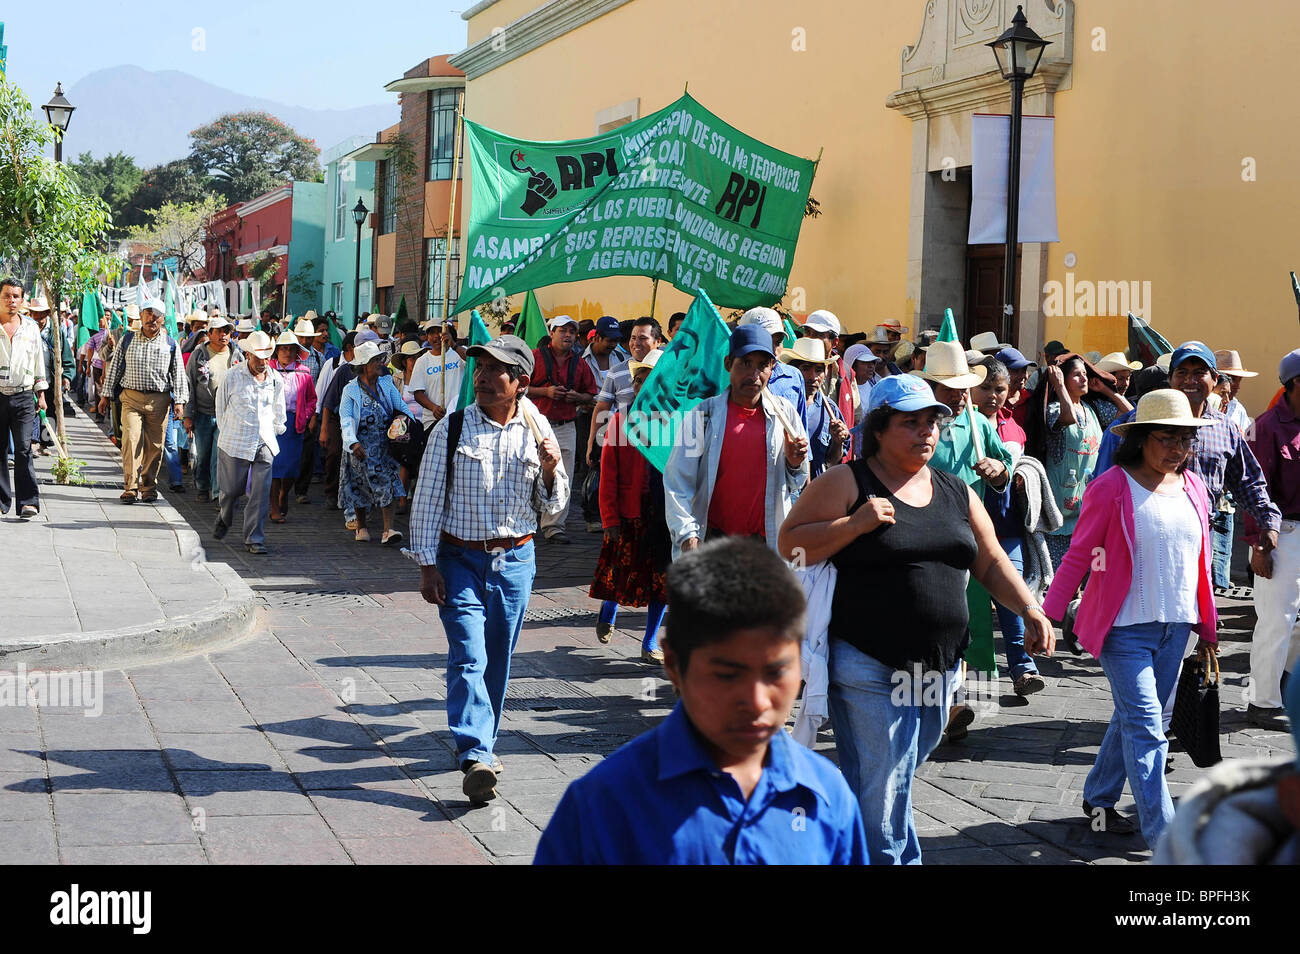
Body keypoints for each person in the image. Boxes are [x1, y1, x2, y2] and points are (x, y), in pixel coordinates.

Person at [778, 373, 1054, 863]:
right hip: (867, 664)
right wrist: (854, 523)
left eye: (933, 421)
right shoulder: (847, 481)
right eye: (912, 422)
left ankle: (845, 846)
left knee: (892, 776)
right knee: (883, 783)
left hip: (939, 669)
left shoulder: (955, 490)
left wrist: (1029, 607)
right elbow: (791, 546)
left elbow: (989, 560)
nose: (927, 431)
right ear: (879, 429)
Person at [536, 537, 867, 864]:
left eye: (775, 672)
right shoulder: (604, 806)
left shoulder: (826, 796)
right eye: (727, 674)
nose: (755, 700)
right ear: (674, 666)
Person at [1044, 389, 1218, 846]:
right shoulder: (1111, 487)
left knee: (1135, 720)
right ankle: (1164, 836)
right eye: (1167, 439)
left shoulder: (1194, 488)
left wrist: (1207, 627)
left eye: (1186, 440)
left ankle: (1099, 798)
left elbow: (1200, 563)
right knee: (1147, 729)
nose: (1178, 450)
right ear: (1141, 438)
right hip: (1123, 630)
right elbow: (1079, 555)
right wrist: (1046, 615)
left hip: (1176, 628)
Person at [407, 335, 566, 804]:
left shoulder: (538, 435)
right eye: (479, 369)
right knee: (469, 655)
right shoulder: (452, 429)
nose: (482, 377)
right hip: (460, 561)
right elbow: (428, 499)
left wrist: (553, 471)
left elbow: (551, 507)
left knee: (498, 658)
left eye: (496, 370)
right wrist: (426, 565)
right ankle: (475, 753)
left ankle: (484, 745)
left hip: (515, 561)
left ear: (519, 382)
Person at [664, 324, 809, 559]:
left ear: (772, 368)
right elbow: (677, 482)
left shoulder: (786, 415)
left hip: (766, 545)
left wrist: (794, 463)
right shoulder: (704, 417)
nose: (754, 374)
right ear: (728, 364)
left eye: (762, 365)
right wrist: (688, 535)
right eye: (745, 363)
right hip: (712, 542)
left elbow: (797, 482)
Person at [589, 349, 672, 663]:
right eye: (641, 380)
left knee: (661, 581)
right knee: (617, 572)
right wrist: (609, 516)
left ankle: (649, 642)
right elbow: (608, 472)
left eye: (652, 380)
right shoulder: (620, 421)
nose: (645, 386)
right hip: (627, 512)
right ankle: (608, 612)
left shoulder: (673, 422)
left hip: (660, 513)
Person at [971, 357, 1045, 695]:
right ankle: (969, 684)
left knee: (1014, 598)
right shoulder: (953, 425)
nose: (992, 395)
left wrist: (1011, 475)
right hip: (968, 531)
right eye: (984, 387)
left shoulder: (1013, 428)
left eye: (999, 389)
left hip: (1005, 525)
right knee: (970, 611)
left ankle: (1023, 669)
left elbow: (1014, 467)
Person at [1242, 348, 1300, 730]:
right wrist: (1259, 545)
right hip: (1284, 535)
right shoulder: (1268, 426)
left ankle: (1283, 685)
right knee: (1276, 621)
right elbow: (1254, 490)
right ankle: (1263, 701)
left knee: (1295, 625)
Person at [99, 298, 188, 504]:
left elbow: (178, 375)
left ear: (163, 319)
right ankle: (130, 487)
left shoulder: (171, 344)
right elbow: (115, 368)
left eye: (156, 315)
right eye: (147, 313)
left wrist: (180, 402)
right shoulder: (128, 340)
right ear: (141, 316)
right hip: (131, 398)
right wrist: (105, 395)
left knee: (155, 446)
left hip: (160, 400)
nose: (151, 318)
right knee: (130, 439)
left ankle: (148, 486)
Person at [1024, 352, 1106, 569]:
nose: (1084, 379)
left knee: (1087, 580)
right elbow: (1068, 417)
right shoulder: (1054, 409)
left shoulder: (1091, 410)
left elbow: (1130, 413)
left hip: (1087, 513)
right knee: (1058, 580)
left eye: (1086, 374)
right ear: (1062, 379)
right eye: (1077, 375)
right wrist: (1059, 387)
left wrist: (1105, 389)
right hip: (1059, 517)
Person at [213, 330, 285, 555]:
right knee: (232, 490)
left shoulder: (275, 379)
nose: (263, 362)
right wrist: (228, 433)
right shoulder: (232, 376)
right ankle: (225, 515)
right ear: (247, 355)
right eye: (258, 357)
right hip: (235, 441)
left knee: (260, 493)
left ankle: (254, 538)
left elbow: (278, 409)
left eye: (266, 357)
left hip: (264, 442)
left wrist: (275, 430)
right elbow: (220, 408)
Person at [529, 315, 598, 544]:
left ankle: (554, 526)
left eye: (571, 331)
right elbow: (519, 387)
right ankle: (525, 520)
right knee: (528, 473)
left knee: (564, 477)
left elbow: (591, 393)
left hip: (566, 425)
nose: (567, 335)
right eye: (562, 330)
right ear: (551, 333)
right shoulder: (535, 356)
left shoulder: (580, 363)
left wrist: (578, 397)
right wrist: (545, 392)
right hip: (534, 425)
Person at [339, 340, 408, 545]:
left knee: (389, 483)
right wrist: (352, 443)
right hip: (361, 446)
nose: (381, 363)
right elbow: (346, 418)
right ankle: (361, 527)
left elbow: (401, 406)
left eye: (380, 359)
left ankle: (388, 530)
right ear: (365, 364)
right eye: (376, 360)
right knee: (359, 487)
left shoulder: (386, 383)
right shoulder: (350, 390)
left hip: (385, 445)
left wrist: (402, 420)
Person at [0, 279, 48, 519]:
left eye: (16, 296)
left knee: (23, 448)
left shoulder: (30, 328)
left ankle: (28, 502)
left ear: (22, 300)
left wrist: (41, 394)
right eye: (7, 296)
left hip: (23, 396)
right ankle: (1, 499)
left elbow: (38, 362)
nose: (12, 301)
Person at [183, 314, 242, 503]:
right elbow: (189, 384)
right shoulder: (198, 354)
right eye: (219, 331)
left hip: (227, 415)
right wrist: (188, 415)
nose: (224, 335)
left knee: (220, 456)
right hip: (203, 413)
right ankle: (202, 485)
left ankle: (218, 493)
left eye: (227, 332)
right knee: (203, 454)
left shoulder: (237, 355)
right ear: (209, 333)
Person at [267, 331, 317, 524]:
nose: (287, 353)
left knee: (290, 470)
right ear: (277, 351)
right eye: (283, 349)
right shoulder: (269, 371)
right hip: (272, 425)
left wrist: (305, 415)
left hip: (294, 424)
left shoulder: (304, 373)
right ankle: (273, 507)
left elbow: (312, 399)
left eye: (291, 349)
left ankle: (283, 494)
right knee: (273, 467)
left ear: (297, 352)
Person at [781, 337, 849, 479]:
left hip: (816, 492)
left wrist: (837, 442)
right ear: (793, 371)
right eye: (805, 369)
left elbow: (832, 463)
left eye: (819, 370)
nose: (813, 377)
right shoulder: (781, 405)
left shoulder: (830, 410)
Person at [736, 307, 808, 430]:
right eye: (766, 342)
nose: (774, 350)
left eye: (778, 342)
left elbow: (801, 431)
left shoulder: (793, 376)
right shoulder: (731, 379)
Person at [801, 309, 860, 428]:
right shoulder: (794, 370)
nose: (811, 339)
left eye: (819, 335)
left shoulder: (847, 373)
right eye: (807, 332)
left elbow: (857, 417)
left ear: (835, 342)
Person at [1087, 353, 1138, 430]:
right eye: (1120, 379)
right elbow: (1130, 413)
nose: (1126, 384)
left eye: (1127, 378)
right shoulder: (1099, 404)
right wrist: (1105, 389)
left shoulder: (1126, 400)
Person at [1212, 350, 1256, 435]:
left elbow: (1249, 440)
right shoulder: (1200, 406)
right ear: (1214, 379)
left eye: (1239, 380)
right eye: (1232, 379)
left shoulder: (1238, 409)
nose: (1237, 386)